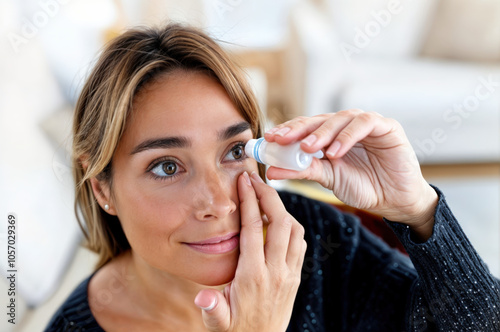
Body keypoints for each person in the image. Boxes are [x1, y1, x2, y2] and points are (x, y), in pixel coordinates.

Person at [45, 23, 500, 332]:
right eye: (167, 166)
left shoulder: (314, 242)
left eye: (235, 151)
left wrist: (416, 208)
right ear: (102, 186)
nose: (220, 203)